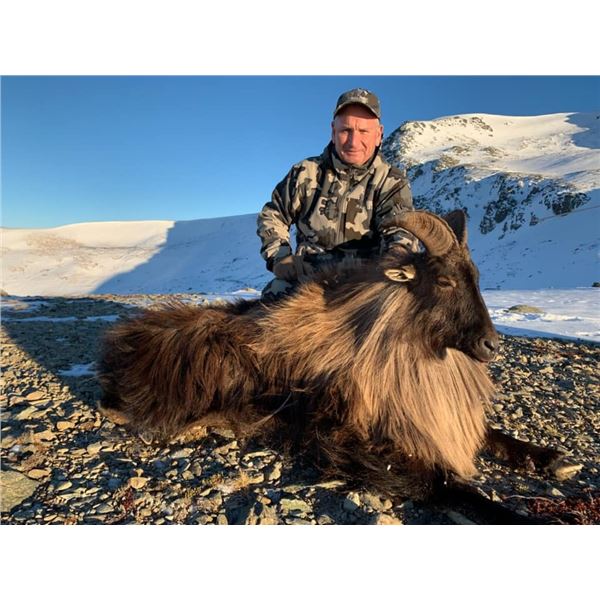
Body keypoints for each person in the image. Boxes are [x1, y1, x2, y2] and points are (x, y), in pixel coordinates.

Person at [257, 88, 418, 300]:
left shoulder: (391, 181)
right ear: (333, 132)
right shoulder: (306, 172)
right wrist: (280, 258)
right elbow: (273, 215)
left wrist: (396, 257)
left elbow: (401, 228)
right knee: (273, 295)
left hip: (366, 285)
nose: (353, 142)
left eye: (363, 131)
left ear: (379, 135)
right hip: (308, 279)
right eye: (345, 130)